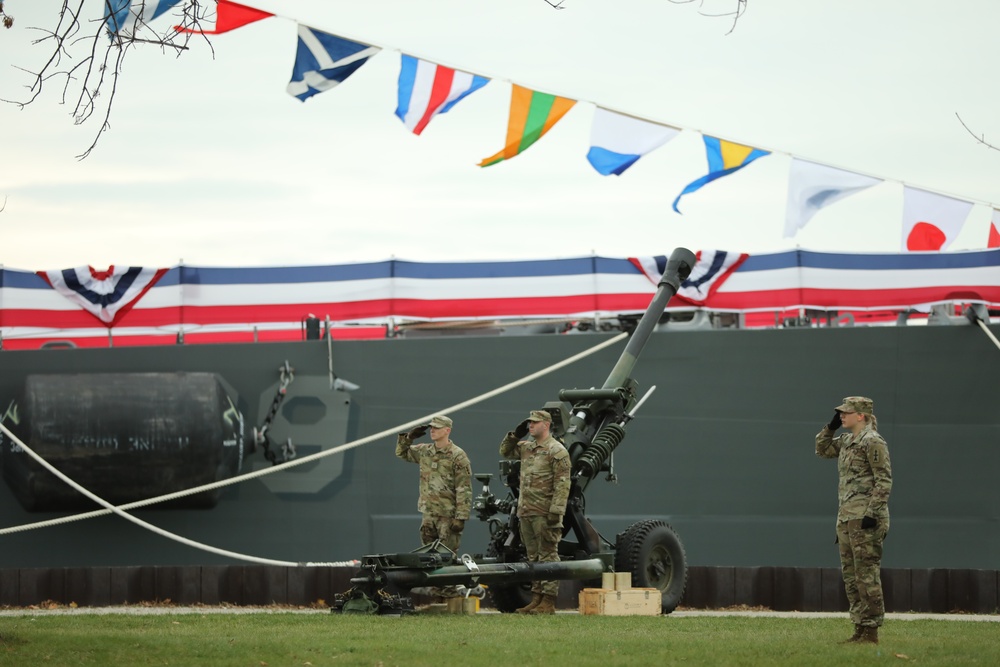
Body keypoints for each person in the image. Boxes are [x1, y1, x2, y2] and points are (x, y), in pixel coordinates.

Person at [815, 396, 892, 645]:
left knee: (866, 575)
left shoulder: (873, 441)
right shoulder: (848, 440)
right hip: (847, 517)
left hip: (866, 519)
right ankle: (859, 627)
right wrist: (830, 428)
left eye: (846, 413)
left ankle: (871, 631)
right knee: (851, 576)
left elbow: (884, 480)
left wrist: (873, 513)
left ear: (861, 415)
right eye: (840, 413)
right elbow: (821, 449)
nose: (841, 416)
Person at [499, 409, 571, 615]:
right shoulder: (526, 448)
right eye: (529, 423)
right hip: (526, 510)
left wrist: (556, 512)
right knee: (533, 557)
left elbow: (562, 484)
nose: (530, 425)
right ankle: (536, 598)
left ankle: (548, 601)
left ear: (546, 425)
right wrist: (515, 434)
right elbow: (505, 451)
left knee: (548, 555)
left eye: (534, 423)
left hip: (544, 512)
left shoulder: (557, 451)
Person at [396, 415, 472, 553]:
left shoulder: (457, 455)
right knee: (427, 557)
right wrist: (408, 438)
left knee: (446, 557)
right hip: (428, 514)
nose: (432, 430)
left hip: (447, 515)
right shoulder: (425, 451)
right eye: (431, 427)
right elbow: (401, 453)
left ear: (447, 430)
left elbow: (464, 488)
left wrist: (461, 517)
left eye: (437, 428)